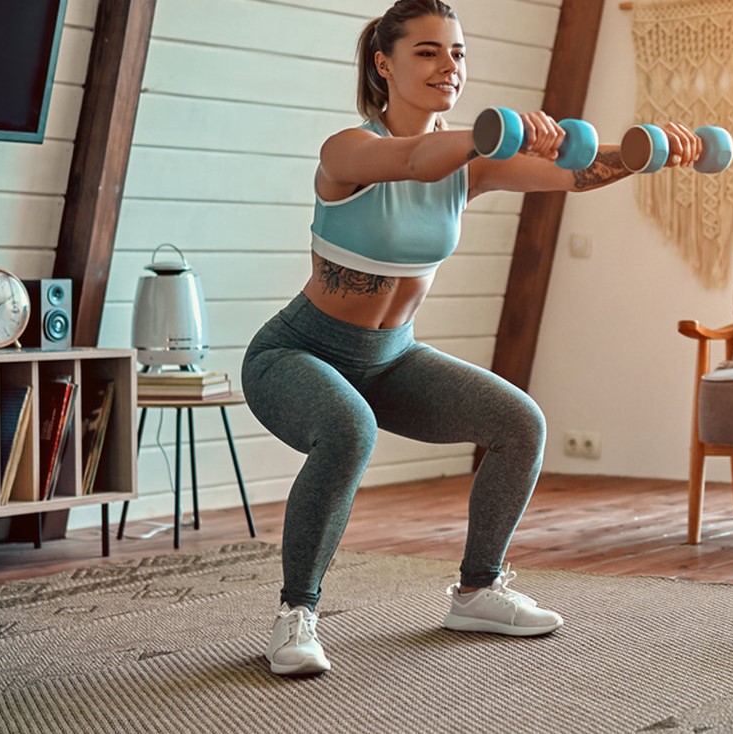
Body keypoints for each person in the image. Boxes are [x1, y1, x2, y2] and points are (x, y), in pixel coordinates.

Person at [240, 0, 701, 676]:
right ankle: (296, 617)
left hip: (391, 359)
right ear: (383, 63)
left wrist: (648, 150)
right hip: (297, 354)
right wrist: (496, 136)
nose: (447, 66)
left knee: (519, 422)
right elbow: (420, 157)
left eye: (457, 53)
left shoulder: (473, 160)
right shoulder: (348, 151)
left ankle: (479, 590)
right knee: (350, 430)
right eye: (427, 52)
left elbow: (576, 171)